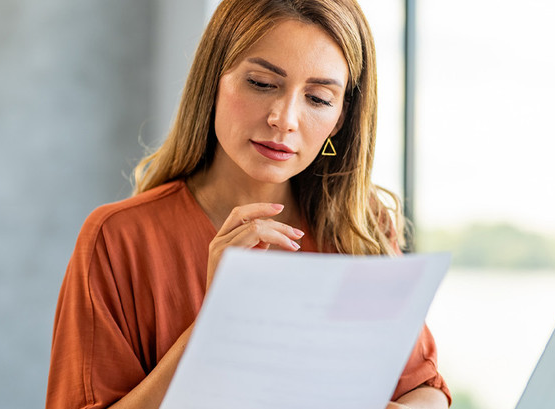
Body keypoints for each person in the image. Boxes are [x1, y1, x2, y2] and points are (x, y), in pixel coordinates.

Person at [45, 0, 451, 408]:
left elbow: (426, 388)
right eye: (261, 83)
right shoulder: (119, 239)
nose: (284, 119)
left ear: (342, 118)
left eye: (318, 99)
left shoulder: (359, 226)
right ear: (213, 81)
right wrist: (218, 321)